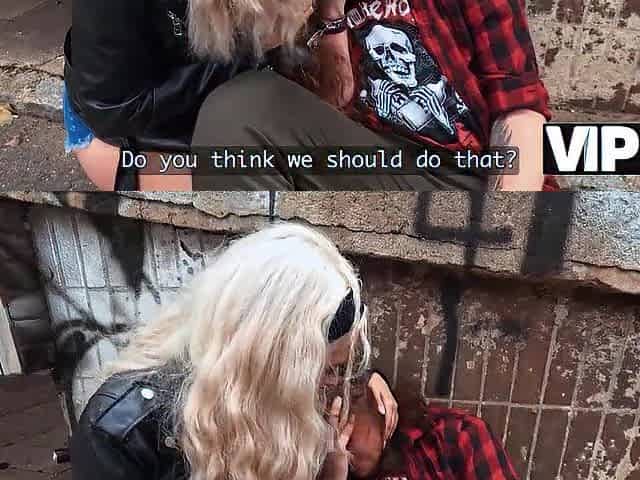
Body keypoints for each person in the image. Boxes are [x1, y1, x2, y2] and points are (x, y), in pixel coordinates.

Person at [66, 0, 556, 192]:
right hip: (360, 172)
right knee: (238, 110)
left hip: (466, 180)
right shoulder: (274, 18)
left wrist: (505, 232)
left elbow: (519, 103)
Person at [70, 224, 398, 480]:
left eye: (340, 369)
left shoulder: (266, 399)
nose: (333, 385)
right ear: (270, 362)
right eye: (326, 369)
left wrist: (367, 381)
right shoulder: (119, 436)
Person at [322, 385, 518, 480]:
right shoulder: (326, 466)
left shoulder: (457, 436)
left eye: (344, 427)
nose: (338, 446)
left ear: (377, 403)